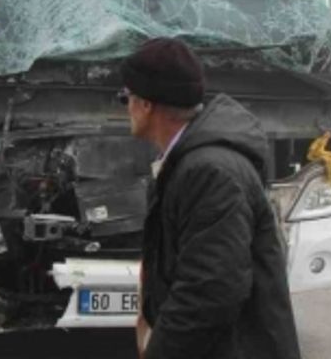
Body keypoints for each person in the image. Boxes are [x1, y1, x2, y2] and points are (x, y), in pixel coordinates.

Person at [122, 37, 302, 359]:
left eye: (127, 96)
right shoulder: (190, 162)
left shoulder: (210, 172)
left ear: (146, 104)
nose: (126, 107)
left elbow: (209, 290)